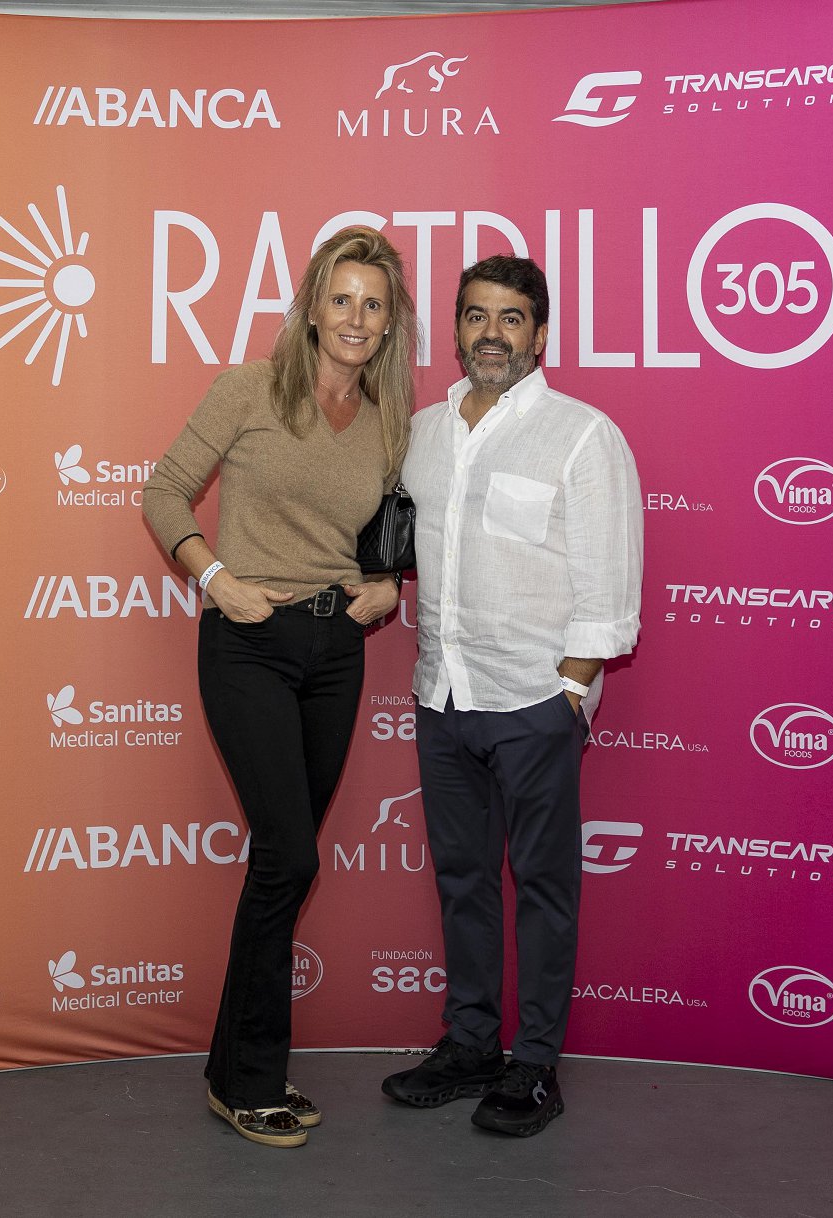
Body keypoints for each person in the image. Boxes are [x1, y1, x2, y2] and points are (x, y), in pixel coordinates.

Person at [143, 227, 416, 1148]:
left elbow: (383, 536)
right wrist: (215, 577)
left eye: (373, 304)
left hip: (335, 651)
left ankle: (235, 1073)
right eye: (341, 299)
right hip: (249, 644)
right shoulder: (248, 389)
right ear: (310, 308)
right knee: (291, 858)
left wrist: (387, 586)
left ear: (390, 324)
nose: (355, 318)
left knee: (277, 860)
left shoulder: (388, 419)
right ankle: (253, 1078)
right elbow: (164, 492)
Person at [382, 254, 643, 1137]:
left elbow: (609, 581)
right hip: (443, 696)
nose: (490, 333)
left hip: (535, 700)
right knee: (462, 882)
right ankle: (470, 1045)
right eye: (475, 315)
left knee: (541, 887)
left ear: (540, 334)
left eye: (510, 318)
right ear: (455, 330)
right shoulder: (421, 432)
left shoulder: (581, 435)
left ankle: (533, 1063)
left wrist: (571, 689)